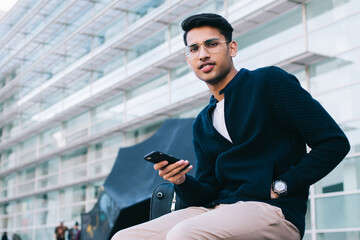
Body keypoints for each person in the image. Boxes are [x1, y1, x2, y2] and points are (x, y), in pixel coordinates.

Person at [111, 13, 350, 240]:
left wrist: (283, 185)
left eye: (211, 44)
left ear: (232, 48)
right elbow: (207, 190)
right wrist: (181, 181)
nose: (202, 54)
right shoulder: (202, 123)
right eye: (194, 49)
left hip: (273, 210)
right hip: (217, 210)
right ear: (188, 59)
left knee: (185, 234)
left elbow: (333, 143)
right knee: (125, 236)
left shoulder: (268, 83)